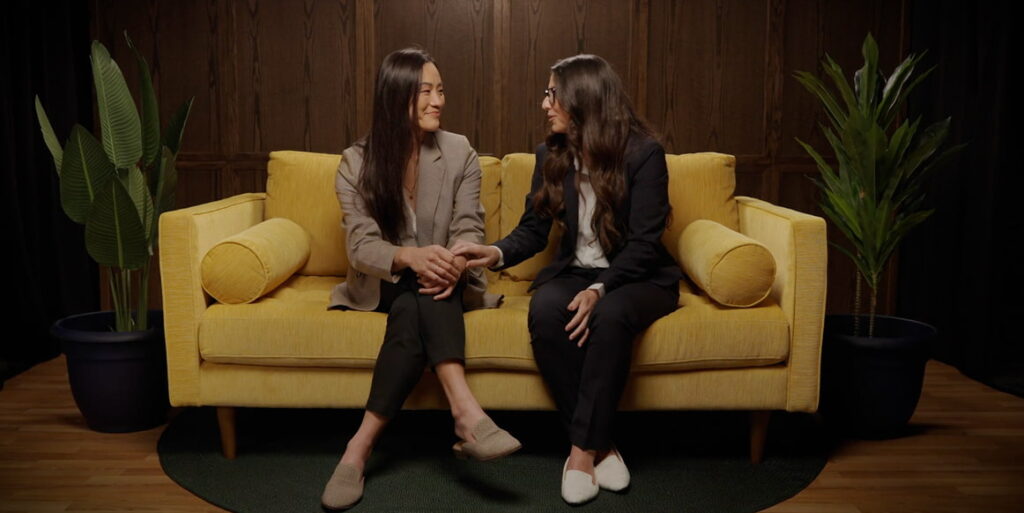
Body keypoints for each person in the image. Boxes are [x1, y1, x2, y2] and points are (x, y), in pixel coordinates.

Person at [453, 54, 682, 505]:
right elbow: (534, 230)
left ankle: (578, 454)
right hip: (575, 271)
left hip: (639, 277)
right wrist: (493, 252)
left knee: (611, 316)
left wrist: (601, 288)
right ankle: (603, 444)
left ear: (583, 99)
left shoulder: (643, 154)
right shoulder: (550, 155)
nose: (544, 103)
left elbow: (643, 244)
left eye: (552, 93)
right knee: (544, 311)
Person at [322, 47, 520, 511]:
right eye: (426, 91)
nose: (439, 101)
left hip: (438, 285)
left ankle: (358, 448)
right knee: (414, 285)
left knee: (420, 297)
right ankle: (467, 413)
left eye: (441, 89)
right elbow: (362, 246)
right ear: (397, 99)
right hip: (384, 282)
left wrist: (453, 260)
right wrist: (410, 255)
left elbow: (469, 225)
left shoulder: (459, 151)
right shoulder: (356, 163)